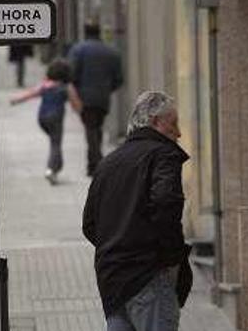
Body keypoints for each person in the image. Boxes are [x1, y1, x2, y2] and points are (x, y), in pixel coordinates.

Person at [82, 92, 192, 331]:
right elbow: (165, 207)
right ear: (155, 122)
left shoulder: (108, 162)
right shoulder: (163, 155)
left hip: (111, 279)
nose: (179, 133)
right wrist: (171, 258)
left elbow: (90, 224)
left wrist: (116, 248)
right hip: (148, 275)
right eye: (173, 123)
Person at [10, 60, 82, 185]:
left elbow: (30, 94)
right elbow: (76, 105)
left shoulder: (45, 85)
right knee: (56, 143)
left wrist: (15, 100)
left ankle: (57, 165)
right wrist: (80, 110)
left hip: (42, 118)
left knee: (54, 142)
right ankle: (51, 169)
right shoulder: (66, 87)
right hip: (56, 118)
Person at [68, 22, 124, 175]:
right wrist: (107, 89)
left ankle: (97, 162)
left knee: (90, 129)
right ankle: (92, 164)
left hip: (85, 98)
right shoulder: (111, 52)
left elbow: (71, 75)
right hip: (103, 98)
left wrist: (75, 95)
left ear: (85, 32)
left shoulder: (78, 50)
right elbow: (119, 79)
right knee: (96, 128)